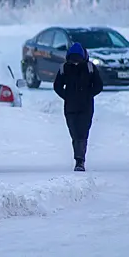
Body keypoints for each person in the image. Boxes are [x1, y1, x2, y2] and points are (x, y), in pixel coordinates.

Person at [53, 42, 103, 172]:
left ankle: (80, 160)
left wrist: (87, 95)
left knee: (82, 133)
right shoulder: (64, 68)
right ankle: (79, 158)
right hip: (70, 107)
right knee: (74, 133)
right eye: (73, 60)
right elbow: (57, 86)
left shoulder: (90, 68)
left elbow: (98, 85)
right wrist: (67, 96)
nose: (75, 63)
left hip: (86, 107)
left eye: (77, 59)